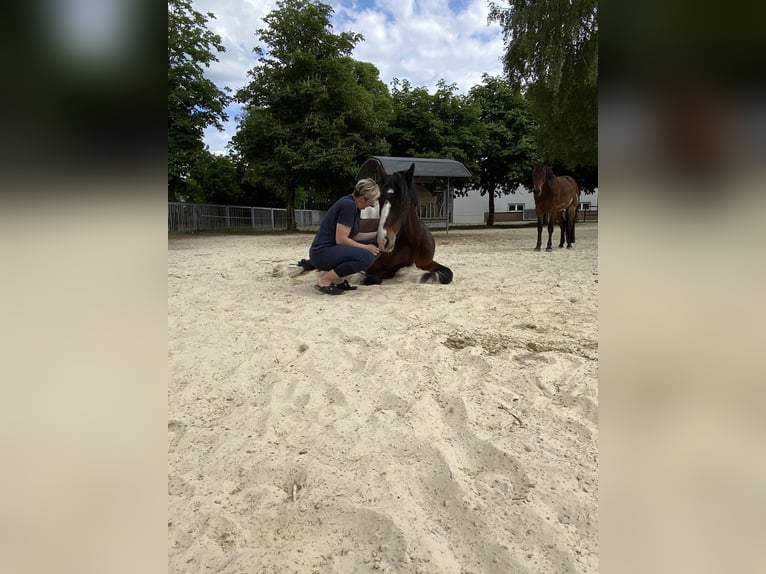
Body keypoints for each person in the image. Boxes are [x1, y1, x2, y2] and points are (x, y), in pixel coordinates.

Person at [308, 178, 382, 295]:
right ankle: (325, 280)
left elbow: (355, 236)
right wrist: (365, 248)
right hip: (322, 253)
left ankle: (339, 280)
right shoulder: (348, 206)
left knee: (375, 248)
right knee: (366, 257)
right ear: (362, 198)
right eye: (371, 201)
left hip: (329, 250)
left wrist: (377, 235)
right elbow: (341, 239)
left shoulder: (353, 205)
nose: (372, 204)